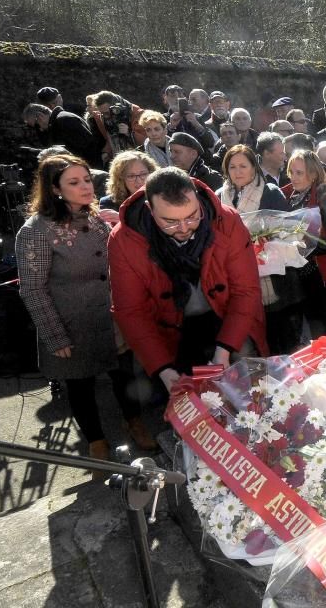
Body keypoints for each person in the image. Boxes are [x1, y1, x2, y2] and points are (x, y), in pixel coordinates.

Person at [16, 154, 155, 468]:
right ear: (55, 190)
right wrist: (55, 336)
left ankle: (134, 423)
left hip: (110, 317)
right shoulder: (35, 230)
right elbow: (32, 289)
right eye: (74, 183)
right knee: (80, 386)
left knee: (124, 375)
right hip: (70, 324)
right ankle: (96, 441)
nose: (85, 187)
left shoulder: (95, 218)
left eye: (87, 179)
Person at [108, 167, 267, 391]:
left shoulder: (226, 220)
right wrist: (162, 368)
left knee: (249, 390)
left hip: (227, 317)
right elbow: (130, 310)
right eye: (170, 221)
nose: (184, 229)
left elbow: (246, 290)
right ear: (149, 210)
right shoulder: (124, 240)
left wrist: (224, 350)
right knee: (190, 398)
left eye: (192, 216)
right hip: (172, 330)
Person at [215, 145, 301, 354]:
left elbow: (290, 232)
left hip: (273, 281)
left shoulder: (271, 192)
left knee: (281, 341)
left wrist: (262, 242)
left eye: (243, 165)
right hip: (237, 277)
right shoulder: (219, 196)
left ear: (254, 167)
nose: (238, 171)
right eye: (232, 166)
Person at [282, 150, 326, 338]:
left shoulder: (325, 194)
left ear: (313, 174)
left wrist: (304, 248)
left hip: (324, 277)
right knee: (316, 334)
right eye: (291, 171)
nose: (293, 177)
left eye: (299, 172)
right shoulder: (288, 196)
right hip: (301, 278)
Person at [23, 103, 102, 167]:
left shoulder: (64, 120)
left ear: (40, 116)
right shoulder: (57, 123)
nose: (38, 129)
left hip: (90, 168)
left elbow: (87, 147)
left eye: (36, 125)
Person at [89, 91, 147, 164]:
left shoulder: (138, 114)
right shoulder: (102, 118)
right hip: (118, 160)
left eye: (107, 113)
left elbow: (148, 140)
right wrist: (106, 152)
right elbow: (110, 138)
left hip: (139, 159)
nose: (105, 116)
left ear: (116, 107)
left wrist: (129, 133)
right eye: (102, 113)